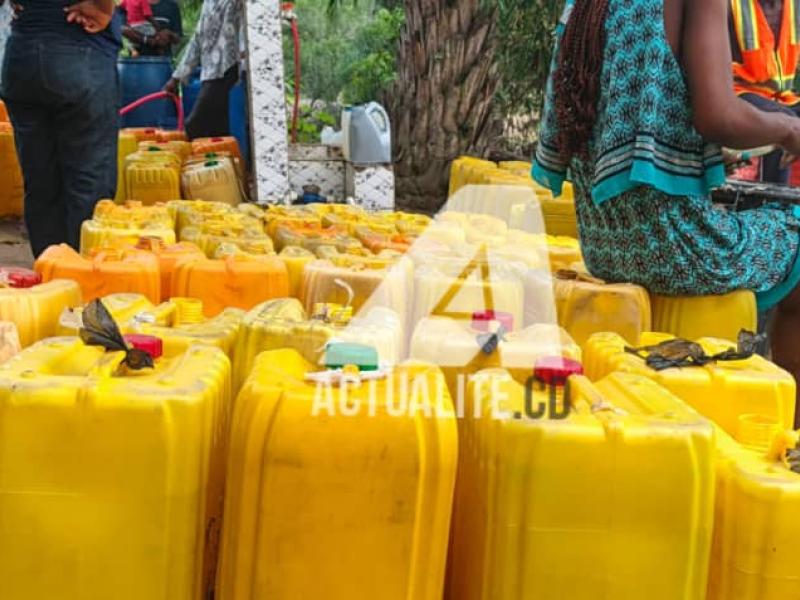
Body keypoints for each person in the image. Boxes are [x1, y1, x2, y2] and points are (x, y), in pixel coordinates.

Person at [533, 0, 800, 415]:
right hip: (674, 249)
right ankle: (793, 436)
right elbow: (718, 117)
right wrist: (789, 128)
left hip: (604, 244)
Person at [1, 0, 121, 256]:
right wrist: (103, 7)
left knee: (41, 184)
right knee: (89, 184)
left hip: (22, 55)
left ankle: (51, 284)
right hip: (79, 49)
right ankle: (82, 284)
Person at [730, 0, 800, 183]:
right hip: (737, 94)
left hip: (783, 97)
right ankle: (772, 198)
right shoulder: (730, 5)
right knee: (785, 120)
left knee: (786, 115)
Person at [163, 0, 242, 140]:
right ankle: (222, 158)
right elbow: (197, 40)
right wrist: (176, 78)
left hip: (226, 68)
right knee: (217, 132)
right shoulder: (209, 3)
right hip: (211, 73)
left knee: (194, 127)